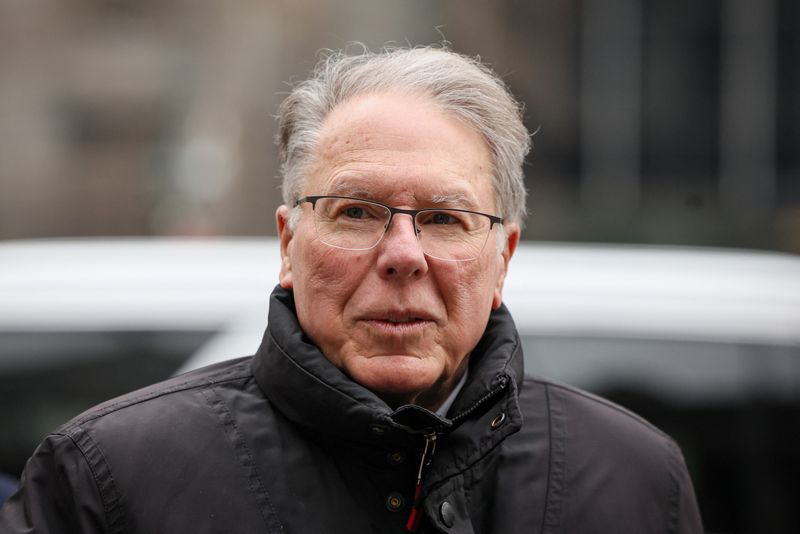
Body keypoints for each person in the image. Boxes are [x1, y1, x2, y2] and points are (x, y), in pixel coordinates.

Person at [0, 45, 703, 533]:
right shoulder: (108, 477)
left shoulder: (634, 480)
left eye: (443, 219)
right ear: (287, 242)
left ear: (503, 256)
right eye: (357, 212)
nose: (403, 256)